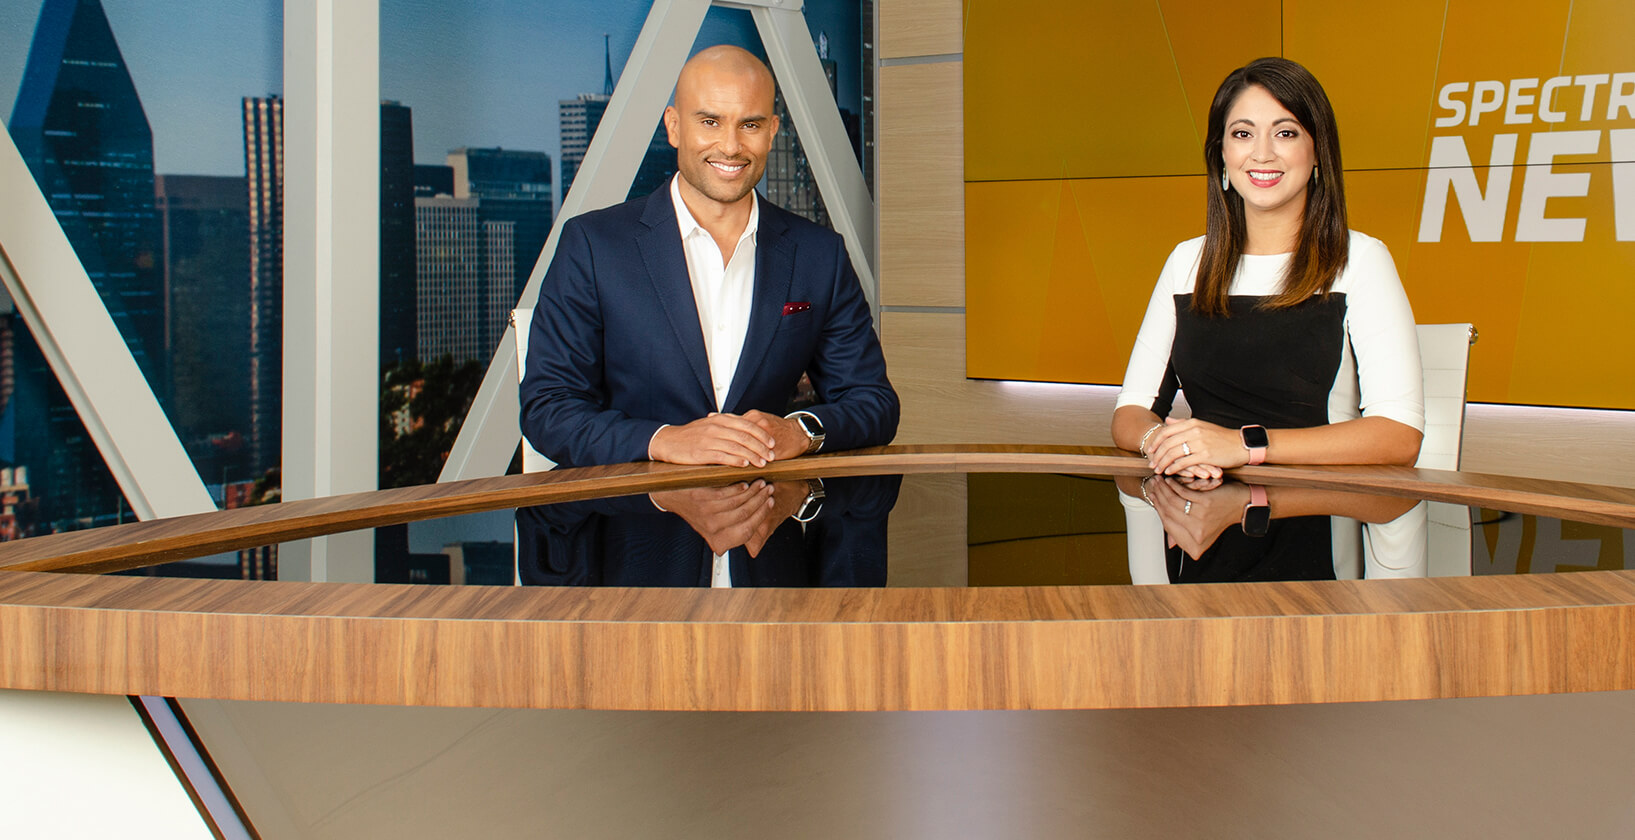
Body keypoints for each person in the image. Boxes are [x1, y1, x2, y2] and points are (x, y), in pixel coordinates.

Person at [522, 45, 898, 469]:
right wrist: (664, 440)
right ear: (674, 126)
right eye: (710, 122)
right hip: (633, 504)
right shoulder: (594, 245)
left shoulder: (820, 254)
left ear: (772, 131)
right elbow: (547, 408)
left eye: (750, 124)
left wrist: (799, 431)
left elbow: (874, 402)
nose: (731, 146)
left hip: (766, 503)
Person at [1112, 57, 1424, 477]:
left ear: (1318, 151)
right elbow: (1131, 413)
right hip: (1200, 500)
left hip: (1318, 506)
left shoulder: (1361, 260)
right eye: (1243, 134)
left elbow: (1400, 437)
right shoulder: (1188, 261)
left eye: (1285, 133)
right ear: (1221, 154)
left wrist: (1244, 446)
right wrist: (1167, 445)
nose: (1262, 154)